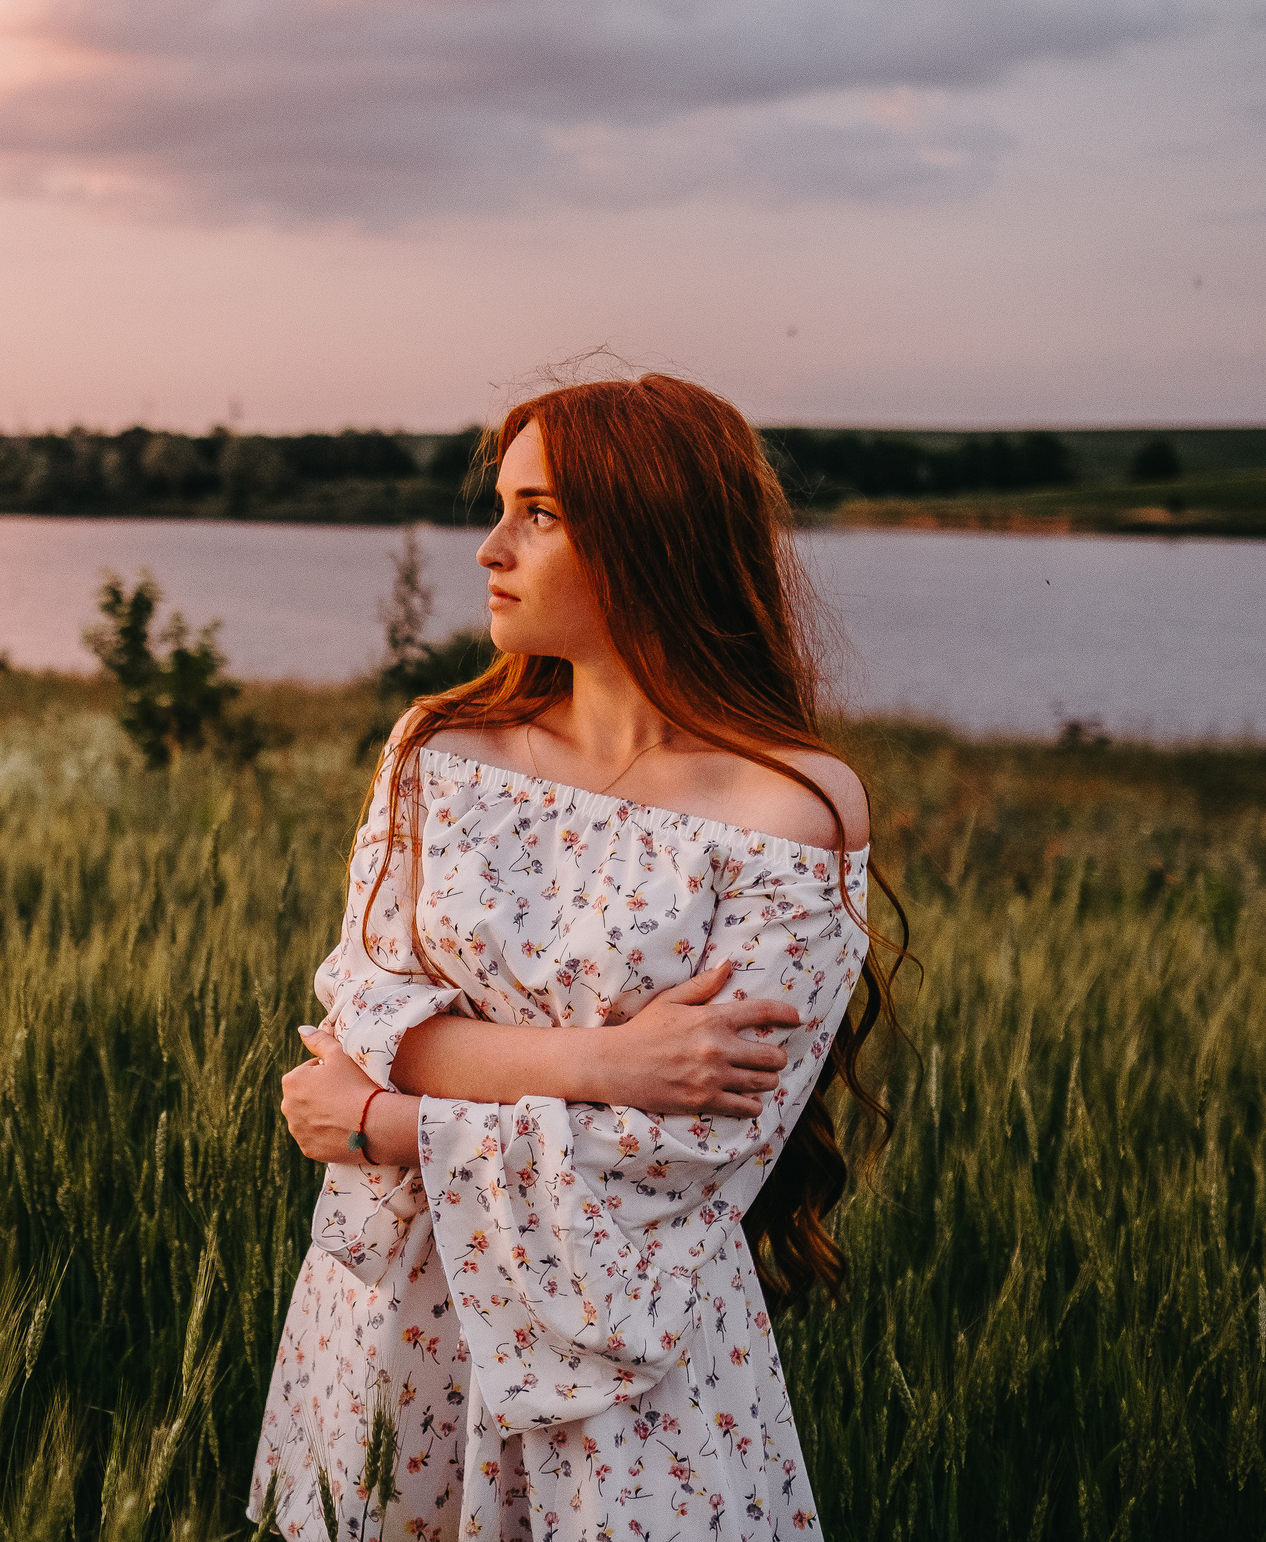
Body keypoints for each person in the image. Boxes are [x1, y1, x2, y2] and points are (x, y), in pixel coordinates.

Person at [251, 374, 906, 1541]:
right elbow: (360, 1014)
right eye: (502, 507)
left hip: (626, 1380)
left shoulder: (791, 809)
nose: (491, 549)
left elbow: (692, 1154)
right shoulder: (439, 751)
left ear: (653, 532)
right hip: (391, 1328)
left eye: (539, 514)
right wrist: (609, 1065)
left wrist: (386, 1126)